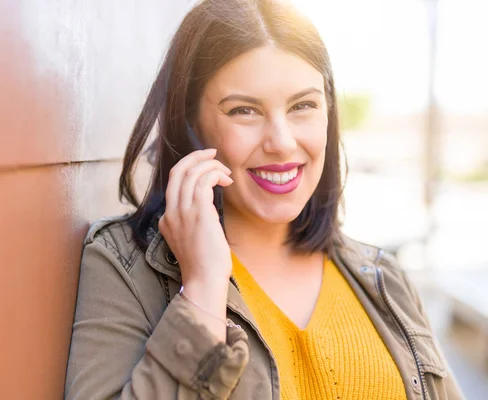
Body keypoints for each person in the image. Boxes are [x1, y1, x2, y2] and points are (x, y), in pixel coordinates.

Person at [65, 0, 463, 398]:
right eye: (244, 111)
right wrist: (202, 291)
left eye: (303, 105)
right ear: (190, 123)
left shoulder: (384, 279)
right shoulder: (123, 267)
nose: (282, 143)